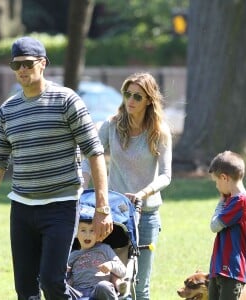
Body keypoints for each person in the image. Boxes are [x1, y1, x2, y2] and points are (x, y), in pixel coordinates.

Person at [0, 36, 113, 300]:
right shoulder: (8, 111)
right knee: (25, 290)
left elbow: (94, 151)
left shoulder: (67, 100)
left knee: (52, 282)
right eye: (16, 64)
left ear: (42, 63)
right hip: (21, 208)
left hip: (61, 205)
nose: (22, 69)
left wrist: (102, 206)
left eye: (28, 63)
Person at [82, 72, 172, 300]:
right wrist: (81, 191)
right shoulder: (111, 126)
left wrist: (142, 193)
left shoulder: (159, 132)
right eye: (127, 94)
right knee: (115, 281)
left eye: (137, 97)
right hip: (113, 216)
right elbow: (88, 159)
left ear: (149, 100)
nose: (130, 100)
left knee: (140, 286)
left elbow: (166, 175)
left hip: (147, 214)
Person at [208, 150, 246, 300]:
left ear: (224, 177)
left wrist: (221, 201)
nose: (216, 186)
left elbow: (214, 225)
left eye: (216, 181)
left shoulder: (241, 202)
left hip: (230, 270)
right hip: (219, 268)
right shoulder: (233, 201)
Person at [68, 219, 127, 300]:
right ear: (76, 233)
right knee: (59, 286)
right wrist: (65, 271)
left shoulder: (104, 249)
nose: (87, 235)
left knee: (103, 285)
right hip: (78, 293)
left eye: (92, 230)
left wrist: (111, 265)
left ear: (98, 233)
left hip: (99, 292)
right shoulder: (73, 255)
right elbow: (66, 278)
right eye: (83, 230)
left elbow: (123, 271)